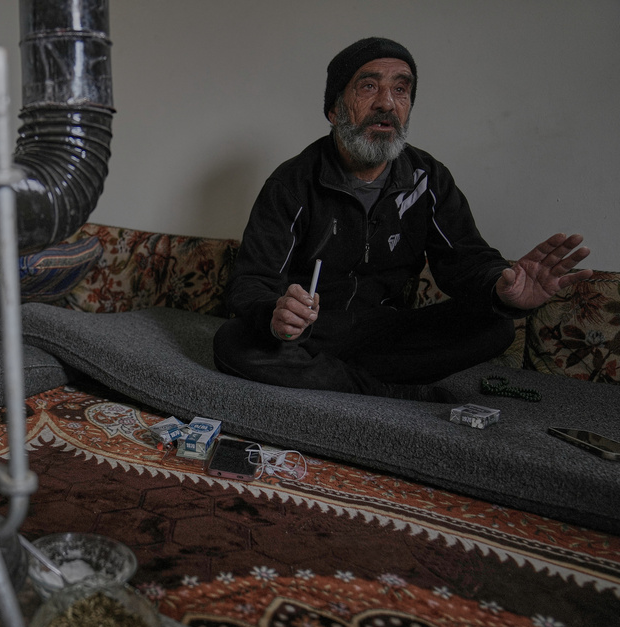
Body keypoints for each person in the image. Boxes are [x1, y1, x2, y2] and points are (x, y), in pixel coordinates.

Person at [213, 37, 592, 402]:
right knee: (231, 343)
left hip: (383, 332)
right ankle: (389, 393)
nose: (387, 103)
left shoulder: (428, 178)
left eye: (401, 90)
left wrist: (501, 287)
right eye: (368, 87)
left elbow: (465, 259)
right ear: (334, 110)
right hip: (311, 333)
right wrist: (277, 313)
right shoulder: (292, 183)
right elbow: (251, 282)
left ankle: (329, 377)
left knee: (496, 328)